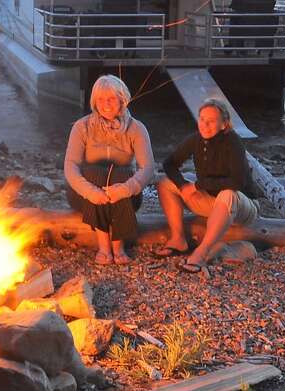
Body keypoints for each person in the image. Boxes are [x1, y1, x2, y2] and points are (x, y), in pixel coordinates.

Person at [156, 98, 259, 271]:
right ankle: (178, 239)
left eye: (211, 121)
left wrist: (197, 186)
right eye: (202, 119)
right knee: (165, 183)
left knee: (227, 193)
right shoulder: (196, 140)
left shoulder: (233, 142)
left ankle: (202, 252)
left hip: (243, 207)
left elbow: (236, 182)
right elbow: (169, 164)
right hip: (213, 203)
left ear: (224, 124)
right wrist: (183, 186)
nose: (204, 124)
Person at [63, 75, 155, 265]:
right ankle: (104, 246)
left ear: (122, 99)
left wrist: (126, 189)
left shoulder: (137, 129)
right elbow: (70, 166)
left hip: (124, 196)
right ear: (94, 101)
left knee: (122, 173)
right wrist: (91, 192)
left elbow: (147, 168)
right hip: (86, 196)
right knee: (94, 172)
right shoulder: (82, 127)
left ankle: (117, 246)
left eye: (112, 98)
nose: (106, 104)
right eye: (101, 99)